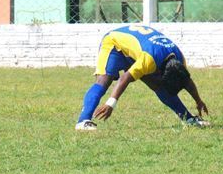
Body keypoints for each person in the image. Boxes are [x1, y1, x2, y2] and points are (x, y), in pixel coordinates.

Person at [75, 25, 209, 131]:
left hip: (140, 51)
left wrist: (198, 100)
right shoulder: (149, 60)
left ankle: (188, 119)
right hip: (115, 44)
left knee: (157, 85)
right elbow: (124, 79)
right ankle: (83, 121)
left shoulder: (180, 60)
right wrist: (111, 104)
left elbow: (186, 80)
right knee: (104, 80)